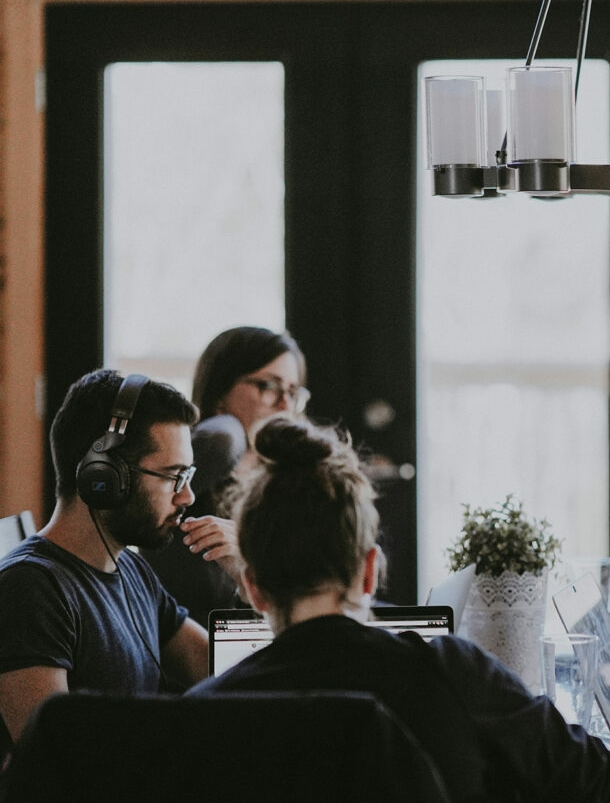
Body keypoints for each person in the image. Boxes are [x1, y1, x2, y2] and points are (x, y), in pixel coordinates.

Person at [186, 416, 610, 802]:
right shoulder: (454, 674)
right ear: (370, 571)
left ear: (253, 587)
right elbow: (592, 777)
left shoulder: (204, 713)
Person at [0, 369, 209, 761]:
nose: (187, 497)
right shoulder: (30, 589)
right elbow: (53, 763)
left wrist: (250, 576)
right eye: (173, 476)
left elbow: (219, 670)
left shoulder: (130, 570)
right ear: (103, 476)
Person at [142, 326, 309, 627]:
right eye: (269, 386)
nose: (285, 404)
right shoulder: (204, 460)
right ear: (221, 390)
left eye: (294, 392)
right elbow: (220, 438)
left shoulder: (292, 477)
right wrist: (229, 426)